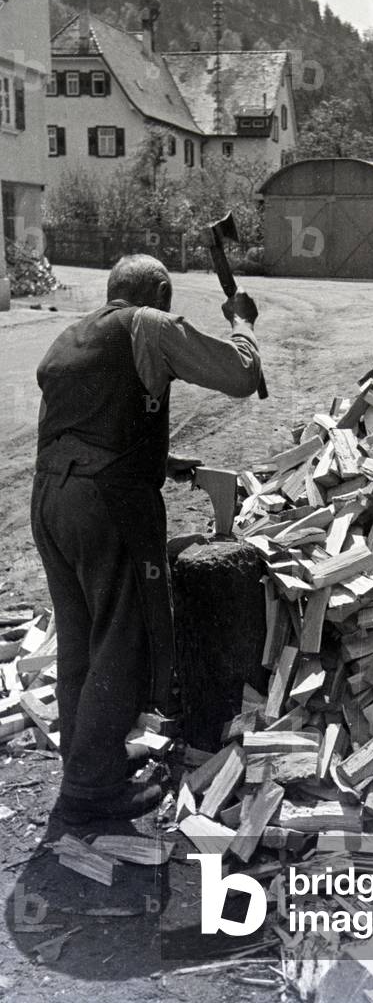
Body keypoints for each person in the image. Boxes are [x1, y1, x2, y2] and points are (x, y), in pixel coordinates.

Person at [31, 254, 262, 824]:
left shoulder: (72, 336)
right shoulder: (149, 324)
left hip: (51, 499)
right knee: (123, 639)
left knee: (81, 638)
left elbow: (89, 420)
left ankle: (88, 764)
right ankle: (91, 792)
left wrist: (161, 459)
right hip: (106, 503)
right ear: (158, 293)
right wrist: (242, 321)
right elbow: (239, 374)